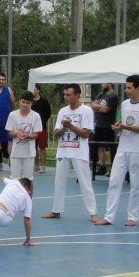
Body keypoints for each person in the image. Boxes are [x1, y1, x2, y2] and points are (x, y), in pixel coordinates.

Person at [94, 75, 139, 227]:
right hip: (123, 147)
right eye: (126, 87)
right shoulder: (125, 104)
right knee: (114, 181)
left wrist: (125, 126)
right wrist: (118, 127)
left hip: (137, 149)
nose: (126, 90)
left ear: (138, 88)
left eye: (129, 87)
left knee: (135, 184)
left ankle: (132, 216)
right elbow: (122, 122)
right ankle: (109, 216)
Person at [42, 83, 98, 222]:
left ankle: (93, 213)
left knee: (85, 182)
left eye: (69, 95)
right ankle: (56, 210)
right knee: (59, 182)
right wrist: (64, 127)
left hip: (79, 152)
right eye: (64, 95)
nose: (66, 97)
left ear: (78, 95)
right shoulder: (62, 111)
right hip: (63, 151)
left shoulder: (86, 111)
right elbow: (56, 133)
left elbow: (86, 134)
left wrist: (70, 125)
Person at [4, 90, 42, 181]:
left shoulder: (35, 116)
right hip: (15, 152)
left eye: (27, 103)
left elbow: (36, 134)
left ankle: (28, 195)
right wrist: (17, 133)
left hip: (29, 153)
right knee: (14, 179)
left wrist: (27, 136)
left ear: (31, 103)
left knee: (28, 179)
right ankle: (14, 195)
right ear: (19, 101)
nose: (25, 104)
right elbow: (10, 133)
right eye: (23, 102)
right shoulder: (12, 115)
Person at [90, 83, 118, 175]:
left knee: (111, 147)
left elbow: (106, 110)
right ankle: (102, 167)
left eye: (103, 83)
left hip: (108, 125)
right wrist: (99, 108)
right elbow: (93, 105)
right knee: (99, 146)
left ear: (109, 84)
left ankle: (113, 168)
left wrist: (97, 107)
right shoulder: (100, 94)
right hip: (99, 125)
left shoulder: (113, 96)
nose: (101, 85)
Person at [31, 83, 51, 174]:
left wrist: (42, 121)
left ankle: (43, 166)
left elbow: (48, 113)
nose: (33, 91)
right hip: (32, 128)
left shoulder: (44, 101)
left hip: (42, 127)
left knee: (42, 147)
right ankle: (36, 165)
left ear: (38, 90)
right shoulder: (30, 101)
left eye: (35, 89)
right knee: (33, 147)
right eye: (32, 89)